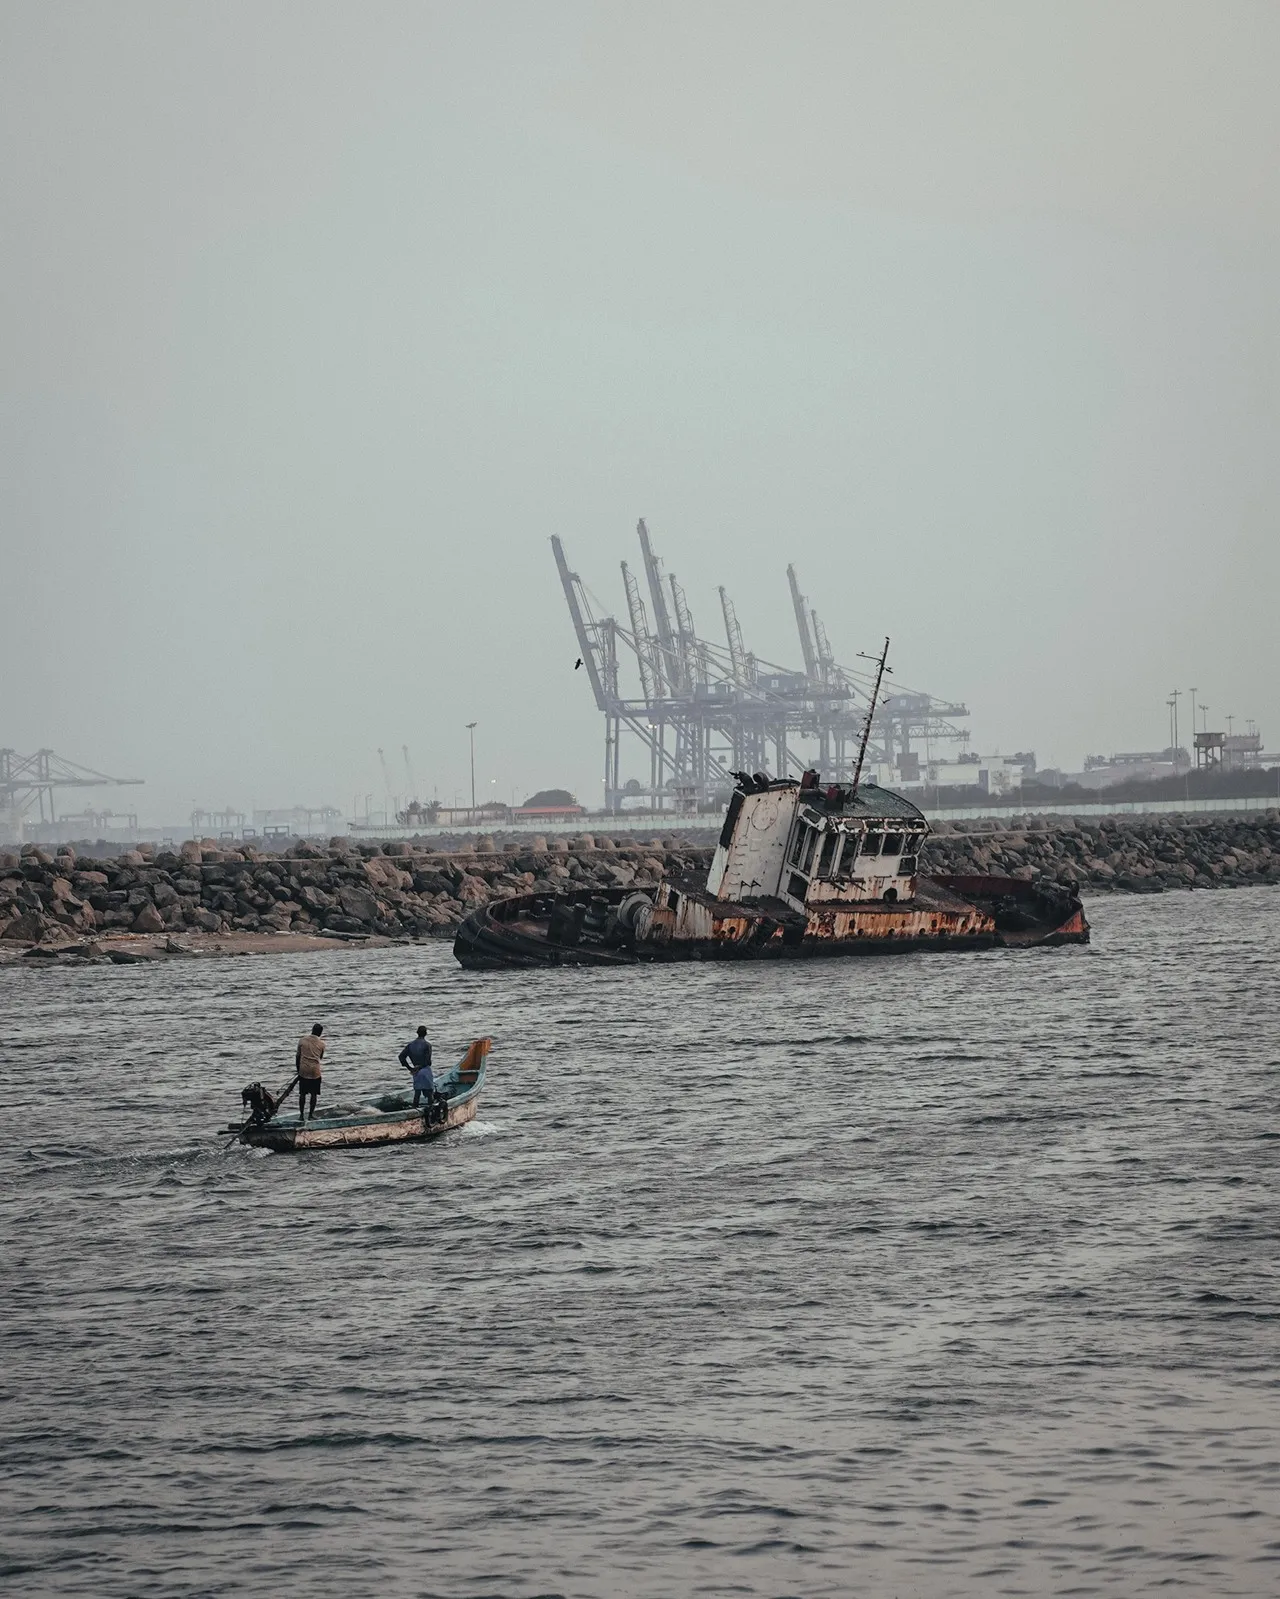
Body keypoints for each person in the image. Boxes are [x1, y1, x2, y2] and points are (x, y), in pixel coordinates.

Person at [399, 1025, 434, 1106]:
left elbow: (401, 1057)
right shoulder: (427, 1045)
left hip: (416, 1071)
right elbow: (428, 1061)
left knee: (417, 1093)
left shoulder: (410, 1045)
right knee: (430, 1093)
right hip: (425, 1071)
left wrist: (410, 1068)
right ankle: (430, 1108)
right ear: (426, 1033)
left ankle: (415, 1109)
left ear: (417, 1033)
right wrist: (421, 1066)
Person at [295, 1023, 325, 1120]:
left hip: (304, 1070)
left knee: (302, 1094)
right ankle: (311, 1115)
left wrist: (298, 1070)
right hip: (315, 1071)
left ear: (312, 1030)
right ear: (320, 1033)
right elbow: (320, 1057)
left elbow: (298, 1056)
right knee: (314, 1094)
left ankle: (301, 1115)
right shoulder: (322, 1044)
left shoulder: (302, 1040)